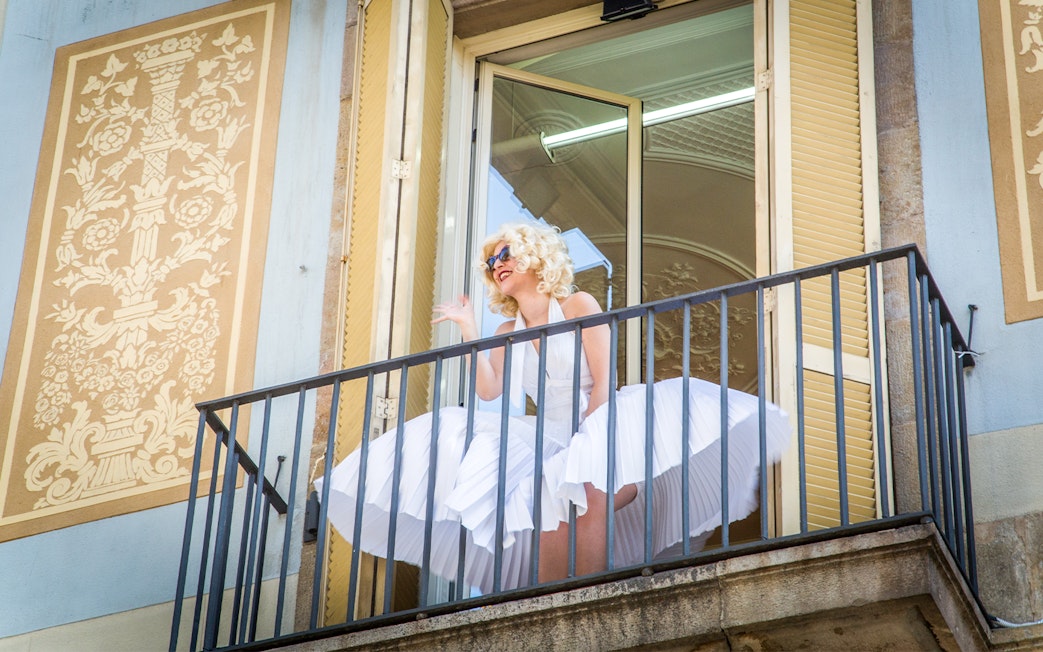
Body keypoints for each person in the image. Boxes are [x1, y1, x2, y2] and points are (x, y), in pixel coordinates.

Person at [316, 220, 790, 594]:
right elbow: (488, 392)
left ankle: (589, 595)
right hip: (548, 432)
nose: (497, 265)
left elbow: (606, 377)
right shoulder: (506, 332)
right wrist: (468, 330)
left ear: (534, 256)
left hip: (600, 417)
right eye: (490, 262)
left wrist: (594, 433)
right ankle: (546, 602)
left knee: (587, 490)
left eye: (505, 254)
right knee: (542, 500)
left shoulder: (578, 304)